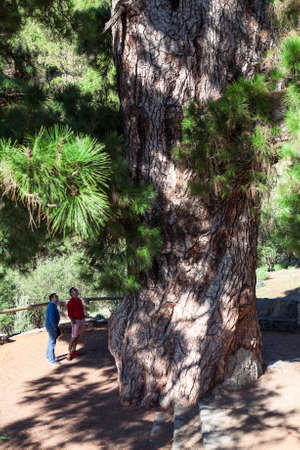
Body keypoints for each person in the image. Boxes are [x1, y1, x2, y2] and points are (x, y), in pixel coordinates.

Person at [66, 287, 85, 360]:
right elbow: (69, 313)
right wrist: (72, 320)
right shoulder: (70, 302)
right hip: (75, 321)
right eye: (75, 291)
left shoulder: (79, 300)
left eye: (76, 290)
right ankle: (69, 353)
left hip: (82, 320)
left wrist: (83, 317)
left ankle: (74, 350)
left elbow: (81, 310)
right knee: (73, 337)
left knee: (78, 336)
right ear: (71, 293)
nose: (77, 291)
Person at [45, 293, 60, 366]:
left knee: (50, 341)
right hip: (51, 326)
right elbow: (51, 317)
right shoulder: (51, 305)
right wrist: (54, 327)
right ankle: (52, 360)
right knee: (52, 342)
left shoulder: (53, 305)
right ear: (52, 298)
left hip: (50, 325)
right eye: (56, 296)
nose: (57, 297)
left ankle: (48, 356)